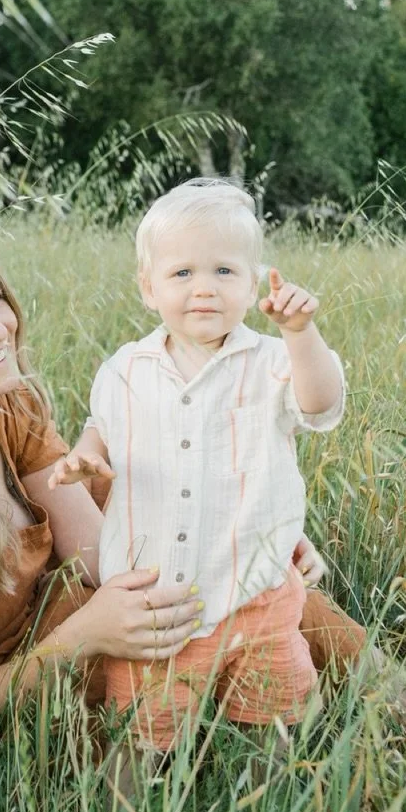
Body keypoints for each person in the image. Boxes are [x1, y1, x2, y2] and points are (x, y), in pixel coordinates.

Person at [0, 219, 366, 737]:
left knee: (260, 589)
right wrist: (87, 635)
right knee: (220, 619)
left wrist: (234, 532)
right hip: (24, 676)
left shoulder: (3, 403)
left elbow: (101, 551)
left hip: (71, 605)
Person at [49, 178, 364, 754]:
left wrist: (301, 332)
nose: (204, 289)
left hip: (258, 599)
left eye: (224, 272)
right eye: (182, 273)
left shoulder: (272, 362)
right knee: (143, 741)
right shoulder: (125, 369)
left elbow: (321, 406)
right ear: (148, 288)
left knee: (274, 736)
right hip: (158, 610)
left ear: (250, 284)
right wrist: (86, 454)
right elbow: (102, 428)